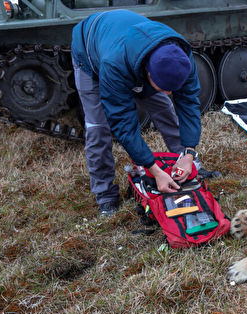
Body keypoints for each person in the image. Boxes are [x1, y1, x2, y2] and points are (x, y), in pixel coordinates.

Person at [71, 9, 201, 217]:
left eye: (173, 88)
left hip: (133, 50)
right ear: (148, 72)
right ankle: (105, 194)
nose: (169, 93)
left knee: (165, 109)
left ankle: (186, 168)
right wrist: (154, 171)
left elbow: (189, 104)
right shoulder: (114, 65)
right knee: (98, 127)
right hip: (91, 52)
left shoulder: (180, 58)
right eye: (164, 87)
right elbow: (124, 124)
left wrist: (189, 151)